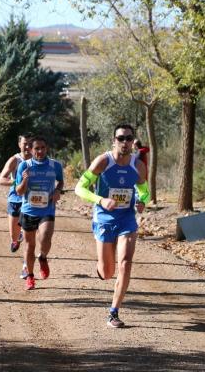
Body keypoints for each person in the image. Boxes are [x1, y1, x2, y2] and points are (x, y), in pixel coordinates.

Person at [75, 124, 150, 328]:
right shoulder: (103, 161)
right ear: (113, 140)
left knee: (125, 262)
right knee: (108, 272)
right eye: (120, 138)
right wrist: (100, 200)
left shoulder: (139, 165)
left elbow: (144, 191)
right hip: (104, 219)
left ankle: (113, 312)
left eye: (128, 138)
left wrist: (142, 201)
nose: (124, 142)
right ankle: (102, 268)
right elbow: (80, 188)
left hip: (126, 219)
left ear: (133, 142)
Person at [15, 136, 64, 290]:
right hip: (29, 210)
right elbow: (19, 191)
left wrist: (57, 191)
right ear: (30, 149)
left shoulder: (55, 165)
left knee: (45, 237)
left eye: (43, 148)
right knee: (29, 245)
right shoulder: (24, 166)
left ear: (46, 148)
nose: (40, 151)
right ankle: (30, 277)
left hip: (47, 208)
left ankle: (42, 257)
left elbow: (60, 181)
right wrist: (24, 180)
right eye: (37, 148)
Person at [0, 135, 32, 254]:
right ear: (19, 144)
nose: (27, 146)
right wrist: (18, 182)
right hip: (15, 200)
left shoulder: (36, 160)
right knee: (14, 235)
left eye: (30, 144)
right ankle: (16, 240)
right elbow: (1, 180)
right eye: (25, 144)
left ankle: (27, 262)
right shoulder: (15, 160)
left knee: (30, 235)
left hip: (30, 200)